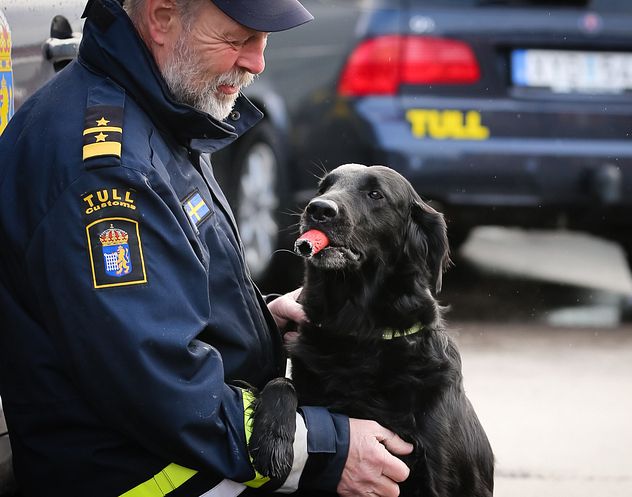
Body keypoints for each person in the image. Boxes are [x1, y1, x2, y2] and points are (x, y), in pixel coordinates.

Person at [0, 0, 413, 495]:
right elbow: (156, 386)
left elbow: (147, 310)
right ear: (162, 17)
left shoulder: (159, 110)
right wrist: (325, 448)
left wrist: (261, 322)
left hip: (174, 448)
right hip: (143, 473)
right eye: (239, 40)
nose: (257, 63)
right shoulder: (109, 173)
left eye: (264, 42)